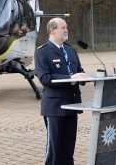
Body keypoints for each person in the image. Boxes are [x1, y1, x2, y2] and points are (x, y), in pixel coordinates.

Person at [34, 17, 89, 165]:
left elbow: (79, 71)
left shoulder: (70, 50)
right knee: (54, 148)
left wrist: (84, 77)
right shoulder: (42, 52)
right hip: (55, 107)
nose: (66, 30)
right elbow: (45, 78)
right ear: (52, 31)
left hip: (72, 104)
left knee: (68, 147)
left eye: (66, 27)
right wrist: (71, 77)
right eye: (63, 28)